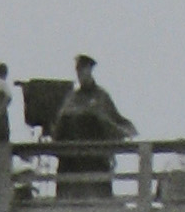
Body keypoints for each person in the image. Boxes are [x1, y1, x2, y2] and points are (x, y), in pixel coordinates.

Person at [52, 55, 135, 202]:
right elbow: (59, 127)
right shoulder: (71, 98)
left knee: (99, 206)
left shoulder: (101, 96)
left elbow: (114, 120)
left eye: (83, 70)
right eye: (78, 71)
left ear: (90, 70)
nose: (80, 74)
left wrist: (125, 131)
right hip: (72, 165)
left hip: (96, 163)